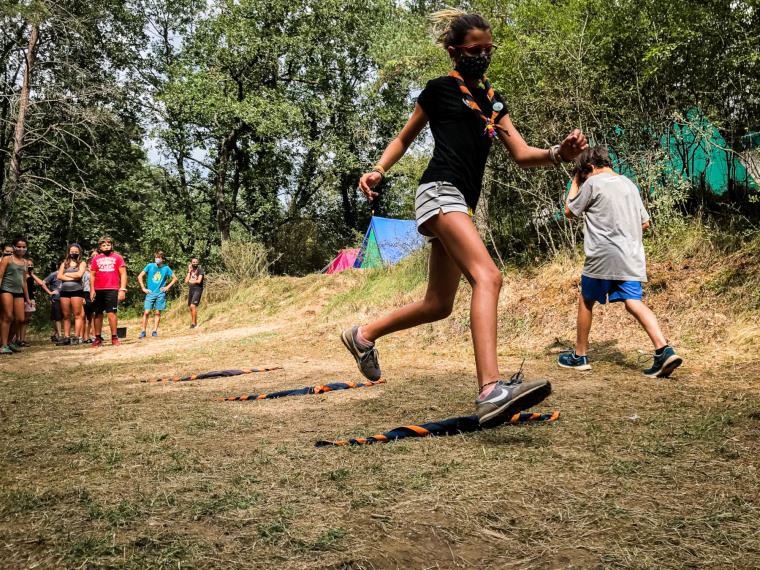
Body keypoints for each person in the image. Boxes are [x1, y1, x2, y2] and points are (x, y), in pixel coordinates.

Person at [341, 10, 588, 427]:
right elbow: (405, 136)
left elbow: (523, 154)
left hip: (461, 202)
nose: (483, 56)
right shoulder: (439, 90)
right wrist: (379, 170)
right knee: (488, 277)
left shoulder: (493, 99)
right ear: (455, 51)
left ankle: (362, 335)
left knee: (438, 304)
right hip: (439, 191)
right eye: (476, 50)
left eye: (488, 49)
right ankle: (491, 389)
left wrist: (557, 155)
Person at [558, 146, 683, 377]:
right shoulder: (629, 184)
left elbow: (569, 210)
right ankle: (664, 350)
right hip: (631, 256)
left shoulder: (592, 183)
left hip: (602, 256)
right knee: (633, 302)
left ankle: (579, 356)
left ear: (590, 168)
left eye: (584, 173)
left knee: (586, 300)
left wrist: (576, 180)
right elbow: (645, 222)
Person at [90, 236, 127, 347]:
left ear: (112, 245)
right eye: (103, 245)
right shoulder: (96, 259)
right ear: (100, 246)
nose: (106, 247)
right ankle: (97, 338)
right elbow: (92, 275)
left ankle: (114, 337)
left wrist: (122, 289)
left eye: (108, 244)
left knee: (111, 313)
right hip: (98, 290)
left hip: (112, 289)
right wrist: (92, 289)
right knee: (98, 314)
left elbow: (123, 274)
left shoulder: (118, 257)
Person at [0, 238, 31, 355]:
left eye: (24, 247)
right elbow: (0, 275)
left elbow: (24, 281)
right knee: (7, 316)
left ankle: (8, 342)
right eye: (19, 246)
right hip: (6, 290)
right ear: (14, 247)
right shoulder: (7, 259)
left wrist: (27, 298)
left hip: (19, 292)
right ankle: (3, 346)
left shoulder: (25, 262)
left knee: (20, 319)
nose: (21, 249)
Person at [137, 250, 177, 338]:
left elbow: (174, 278)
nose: (157, 259)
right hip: (150, 293)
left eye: (159, 258)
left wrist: (167, 287)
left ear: (162, 259)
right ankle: (143, 331)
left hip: (160, 294)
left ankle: (154, 331)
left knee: (158, 312)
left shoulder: (166, 268)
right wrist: (143, 288)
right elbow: (140, 276)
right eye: (156, 257)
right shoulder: (150, 266)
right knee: (146, 312)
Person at [56, 243, 87, 345]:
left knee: (77, 315)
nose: (73, 253)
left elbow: (79, 275)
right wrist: (70, 276)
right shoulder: (64, 264)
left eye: (76, 251)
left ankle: (77, 337)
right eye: (72, 251)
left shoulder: (82, 263)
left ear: (79, 252)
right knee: (66, 315)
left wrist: (67, 274)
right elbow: (59, 276)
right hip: (64, 292)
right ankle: (67, 337)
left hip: (77, 291)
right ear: (69, 252)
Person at [42, 268, 63, 341]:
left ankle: (56, 334)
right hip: (56, 298)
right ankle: (59, 335)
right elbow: (43, 282)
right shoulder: (54, 274)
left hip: (65, 298)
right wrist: (50, 292)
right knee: (57, 317)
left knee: (62, 316)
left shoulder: (66, 274)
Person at [81, 249, 97, 343]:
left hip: (95, 293)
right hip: (86, 293)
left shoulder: (96, 271)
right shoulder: (85, 273)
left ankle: (94, 335)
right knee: (87, 317)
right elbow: (82, 284)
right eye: (90, 263)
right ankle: (85, 337)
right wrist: (82, 297)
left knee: (94, 315)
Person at [185, 257, 204, 328]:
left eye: (196, 262)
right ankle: (195, 323)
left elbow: (199, 281)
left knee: (193, 306)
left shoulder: (200, 270)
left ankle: (193, 324)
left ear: (198, 262)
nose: (195, 263)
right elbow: (186, 281)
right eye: (193, 262)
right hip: (191, 290)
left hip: (198, 289)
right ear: (191, 263)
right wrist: (189, 271)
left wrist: (192, 281)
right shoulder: (190, 271)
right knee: (190, 307)